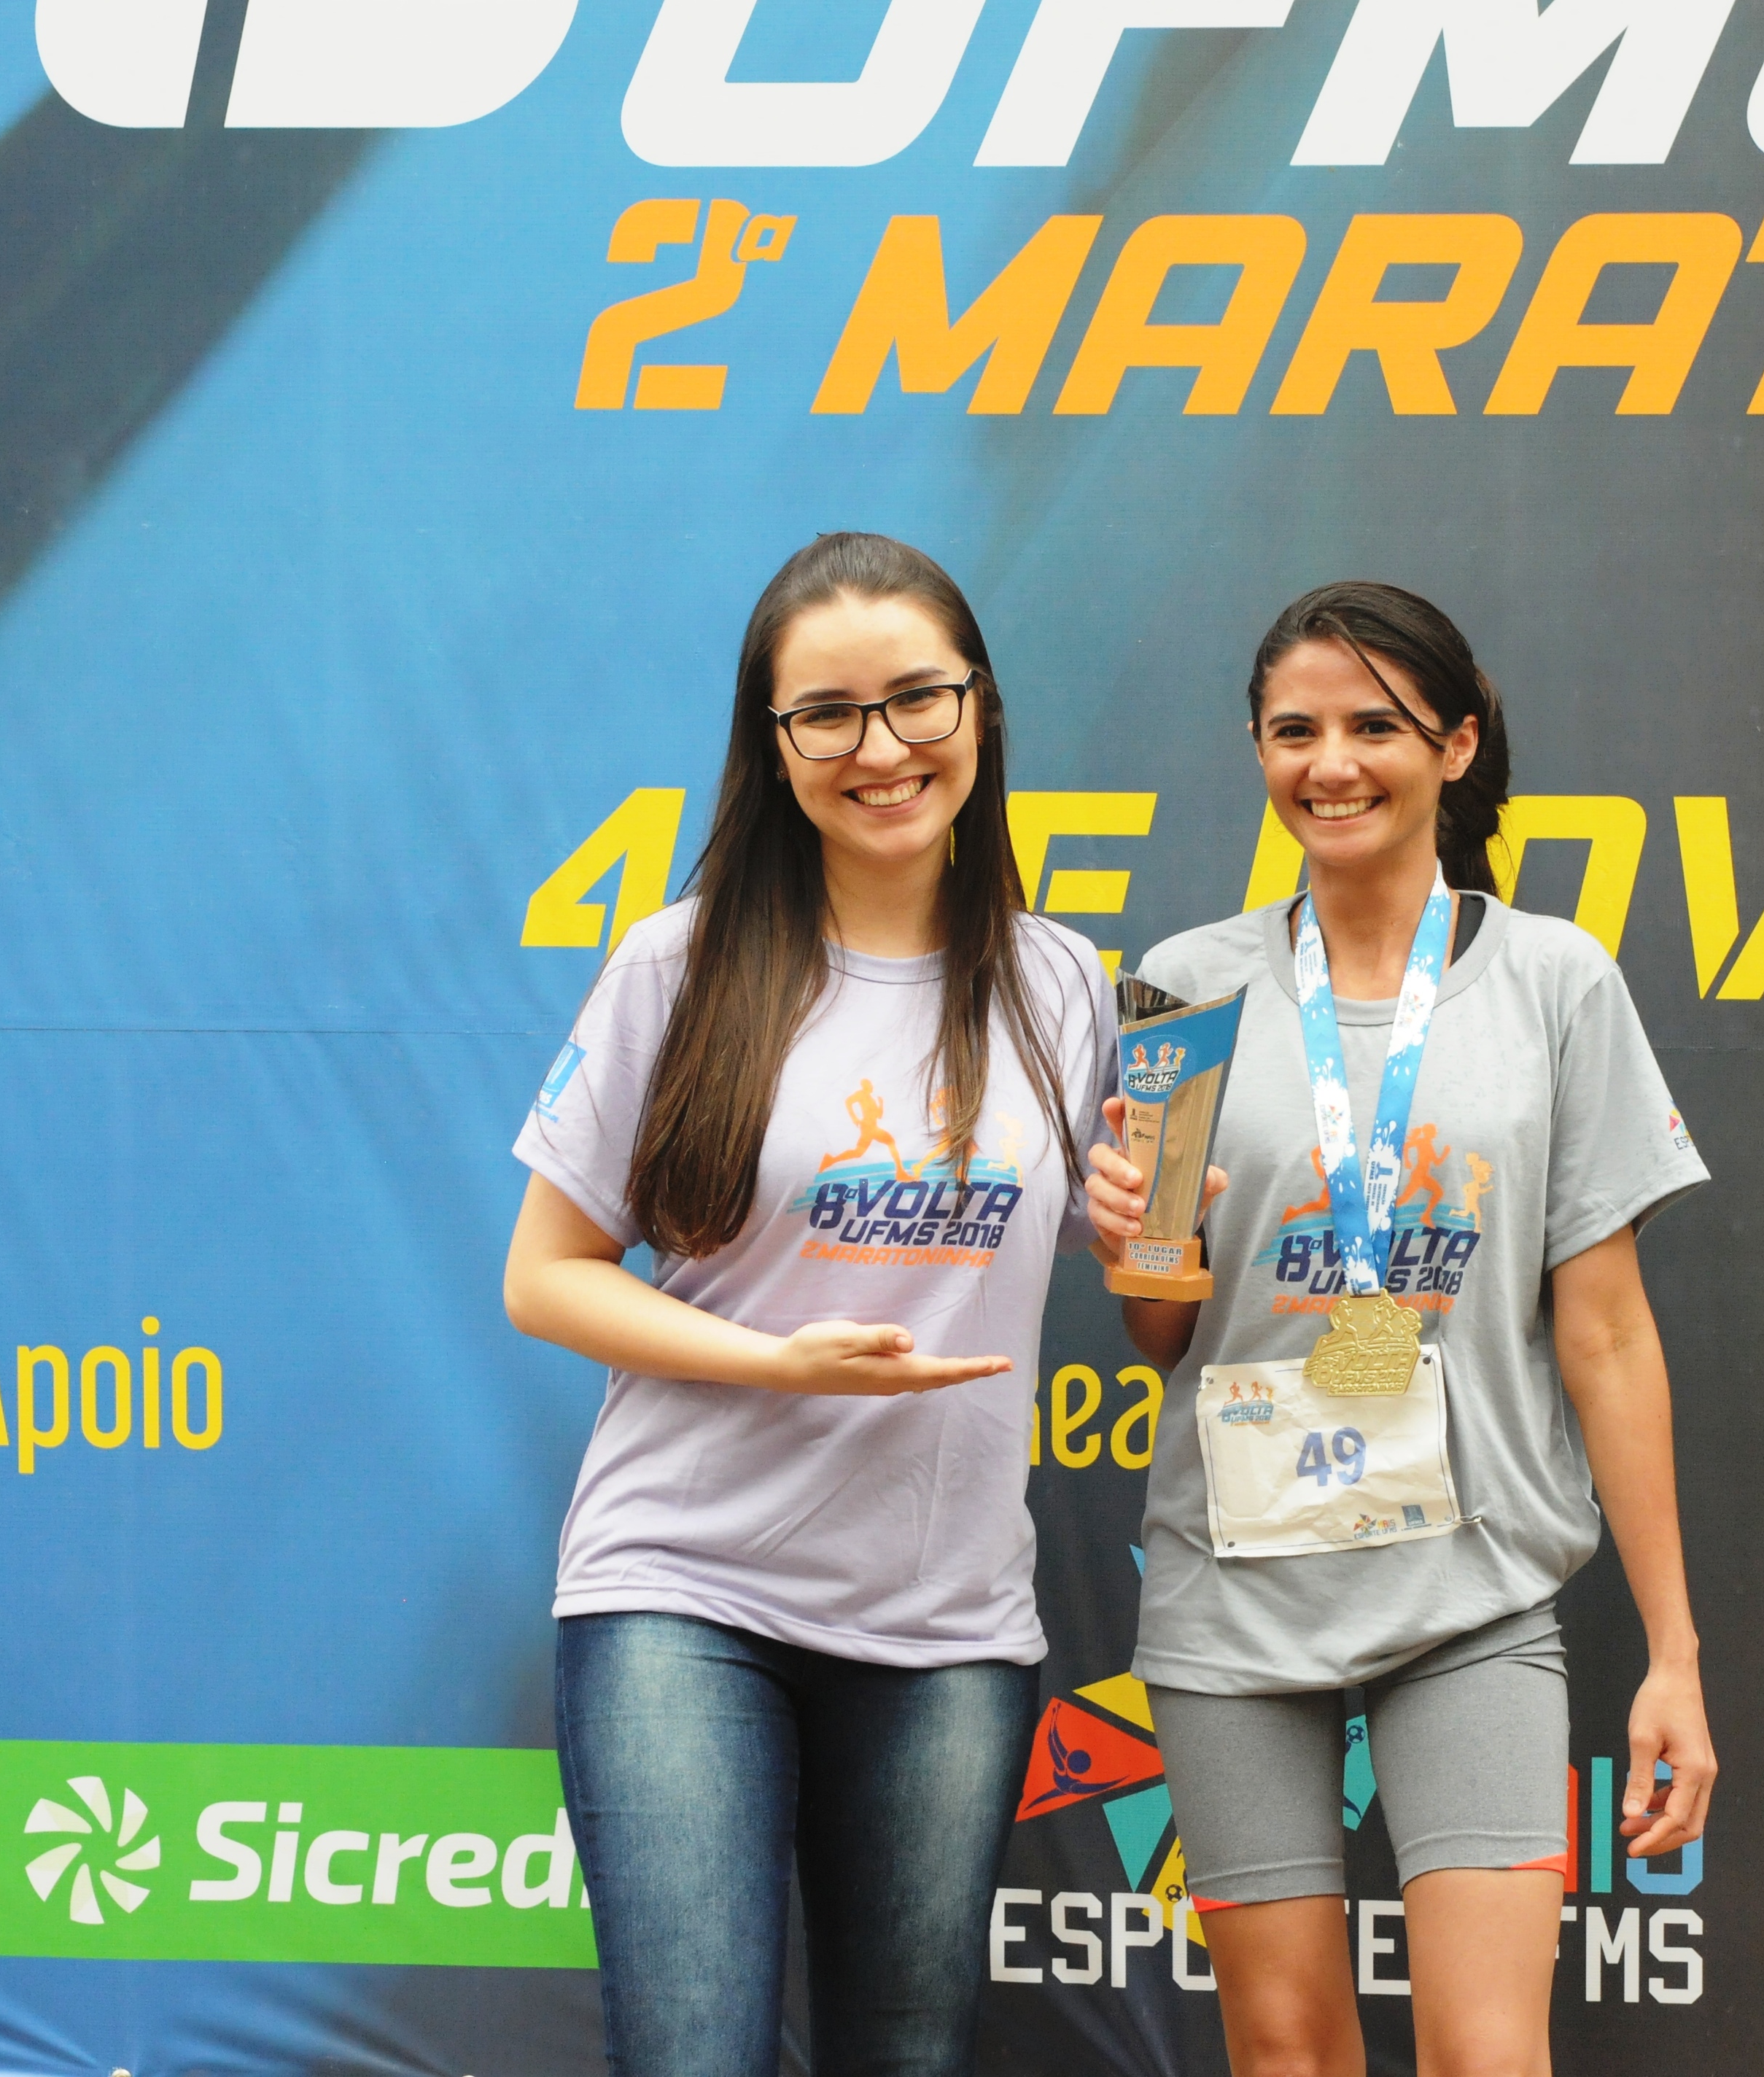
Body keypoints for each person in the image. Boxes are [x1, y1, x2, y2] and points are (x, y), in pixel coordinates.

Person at [505, 533, 1116, 2077]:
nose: (881, 747)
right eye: (827, 714)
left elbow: (1122, 1258)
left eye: (917, 698)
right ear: (772, 745)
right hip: (684, 1587)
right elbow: (545, 1276)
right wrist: (777, 1360)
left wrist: (1159, 1226)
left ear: (979, 707)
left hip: (946, 1620)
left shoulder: (1062, 986)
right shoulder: (680, 964)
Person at [1086, 581, 1711, 2077]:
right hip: (1235, 1592)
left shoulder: (1554, 979)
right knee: (1286, 2051)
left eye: (1374, 726)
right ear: (1257, 749)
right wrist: (1132, 1242)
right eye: (1292, 731)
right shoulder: (1185, 984)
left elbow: (1608, 1335)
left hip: (1471, 1588)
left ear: (1455, 744)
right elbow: (1159, 1326)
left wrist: (1674, 1653)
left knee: (1487, 2053)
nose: (1331, 764)